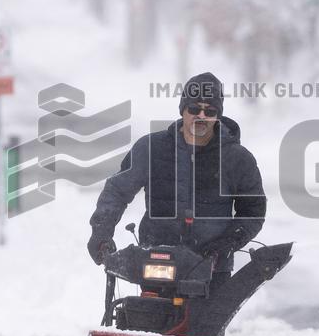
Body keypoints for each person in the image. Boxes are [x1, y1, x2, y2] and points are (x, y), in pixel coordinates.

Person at [88, 72, 266, 285]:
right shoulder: (151, 149)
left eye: (209, 111)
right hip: (156, 262)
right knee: (142, 317)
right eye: (194, 108)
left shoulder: (237, 159)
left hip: (212, 269)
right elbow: (117, 192)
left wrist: (227, 244)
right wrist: (101, 234)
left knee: (206, 319)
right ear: (183, 110)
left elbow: (253, 211)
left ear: (217, 115)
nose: (201, 116)